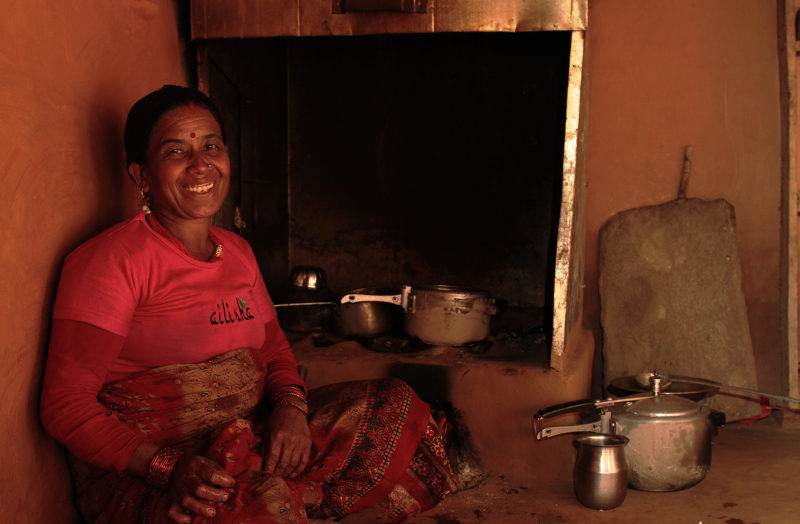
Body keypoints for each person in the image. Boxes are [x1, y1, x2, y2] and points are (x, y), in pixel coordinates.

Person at [41, 85, 456, 523]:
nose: (201, 164)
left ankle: (287, 491)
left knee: (396, 406)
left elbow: (273, 349)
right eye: (176, 150)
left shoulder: (237, 250)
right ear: (141, 176)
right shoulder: (111, 261)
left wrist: (291, 412)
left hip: (250, 434)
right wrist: (167, 467)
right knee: (260, 507)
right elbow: (65, 405)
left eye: (212, 146)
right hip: (159, 467)